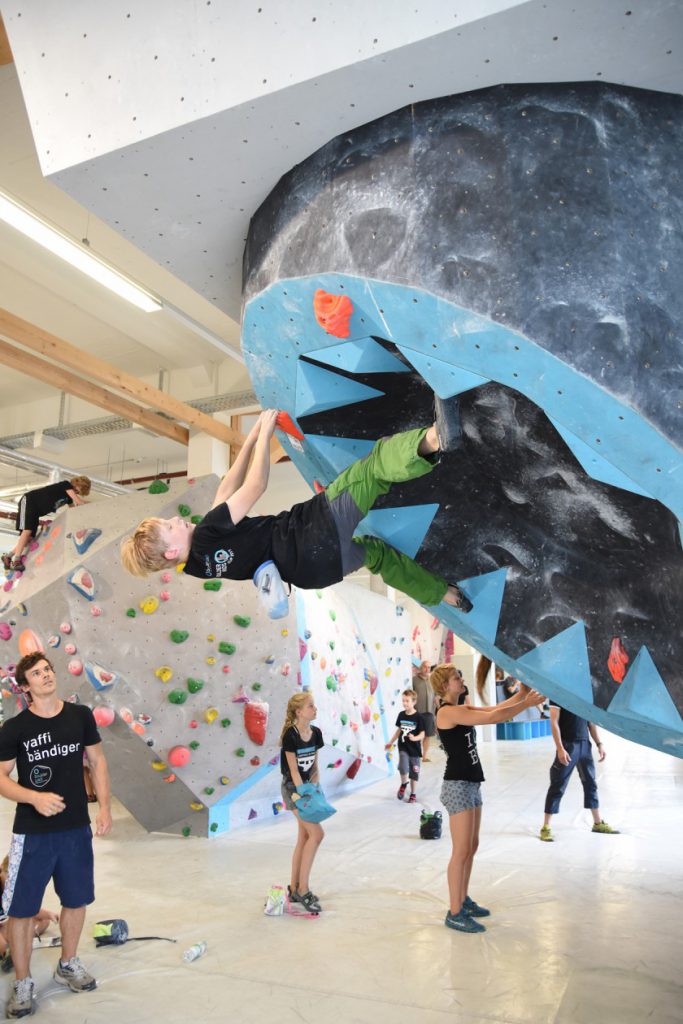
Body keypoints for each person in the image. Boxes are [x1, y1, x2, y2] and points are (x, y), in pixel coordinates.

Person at [120, 410, 473, 612]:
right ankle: (434, 439)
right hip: (313, 535)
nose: (175, 519)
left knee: (376, 554)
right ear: (170, 548)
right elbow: (253, 487)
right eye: (169, 526)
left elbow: (225, 491)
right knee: (371, 469)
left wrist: (253, 435)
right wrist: (266, 435)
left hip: (315, 573)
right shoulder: (209, 532)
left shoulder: (195, 565)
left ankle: (443, 594)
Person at [0, 652, 112, 1019]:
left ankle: (68, 963)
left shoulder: (79, 716)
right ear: (26, 686)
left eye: (48, 669)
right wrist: (34, 797)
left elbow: (97, 762)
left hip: (76, 829)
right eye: (37, 673)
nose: (47, 675)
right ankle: (22, 982)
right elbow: (0, 776)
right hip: (32, 834)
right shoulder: (15, 728)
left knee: (76, 900)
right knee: (20, 910)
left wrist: (105, 808)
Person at [431, 663, 545, 934]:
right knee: (460, 851)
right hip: (457, 786)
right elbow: (495, 718)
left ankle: (463, 899)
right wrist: (525, 702)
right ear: (445, 686)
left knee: (472, 846)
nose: (461, 679)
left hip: (471, 783)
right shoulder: (447, 713)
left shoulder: (462, 708)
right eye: (456, 677)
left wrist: (524, 689)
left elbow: (494, 710)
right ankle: (454, 912)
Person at [540, 702, 619, 842]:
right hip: (568, 746)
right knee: (558, 784)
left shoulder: (582, 696)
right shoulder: (558, 695)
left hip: (584, 745)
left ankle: (597, 823)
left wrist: (599, 744)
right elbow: (554, 722)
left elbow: (591, 723)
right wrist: (560, 748)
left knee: (591, 784)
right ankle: (546, 827)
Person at [280, 692, 325, 914]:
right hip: (293, 790)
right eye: (310, 706)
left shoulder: (315, 733)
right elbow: (294, 770)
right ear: (299, 712)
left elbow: (314, 767)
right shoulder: (291, 735)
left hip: (308, 787)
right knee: (317, 834)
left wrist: (315, 789)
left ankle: (294, 887)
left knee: (305, 836)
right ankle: (303, 889)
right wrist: (303, 794)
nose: (315, 709)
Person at [2, 477, 91, 574]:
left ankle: (8, 556)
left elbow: (73, 510)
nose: (76, 493)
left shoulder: (69, 498)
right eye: (77, 490)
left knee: (29, 539)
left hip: (36, 511)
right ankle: (16, 561)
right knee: (27, 531)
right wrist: (91, 504)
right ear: (77, 485)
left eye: (78, 493)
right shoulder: (66, 485)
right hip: (29, 501)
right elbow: (79, 502)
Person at [0, 856, 59, 969]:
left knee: (44, 921)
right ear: (2, 869)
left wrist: (49, 914)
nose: (11, 883)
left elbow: (28, 909)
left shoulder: (16, 888)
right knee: (2, 941)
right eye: (9, 876)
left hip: (9, 924)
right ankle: (9, 952)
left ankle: (19, 942)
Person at [385, 689, 426, 803]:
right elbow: (399, 730)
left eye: (407, 701)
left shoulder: (419, 717)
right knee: (403, 766)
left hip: (415, 750)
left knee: (414, 772)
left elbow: (422, 734)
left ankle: (413, 793)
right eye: (403, 701)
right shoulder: (401, 715)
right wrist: (391, 741)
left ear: (414, 702)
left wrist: (415, 738)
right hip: (403, 746)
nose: (404, 703)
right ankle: (403, 784)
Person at [412, 661, 436, 761]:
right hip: (418, 712)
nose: (427, 669)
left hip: (430, 712)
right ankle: (416, 755)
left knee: (428, 735)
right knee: (417, 735)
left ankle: (424, 756)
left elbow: (436, 694)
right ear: (420, 668)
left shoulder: (433, 680)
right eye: (425, 667)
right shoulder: (414, 680)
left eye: (429, 667)